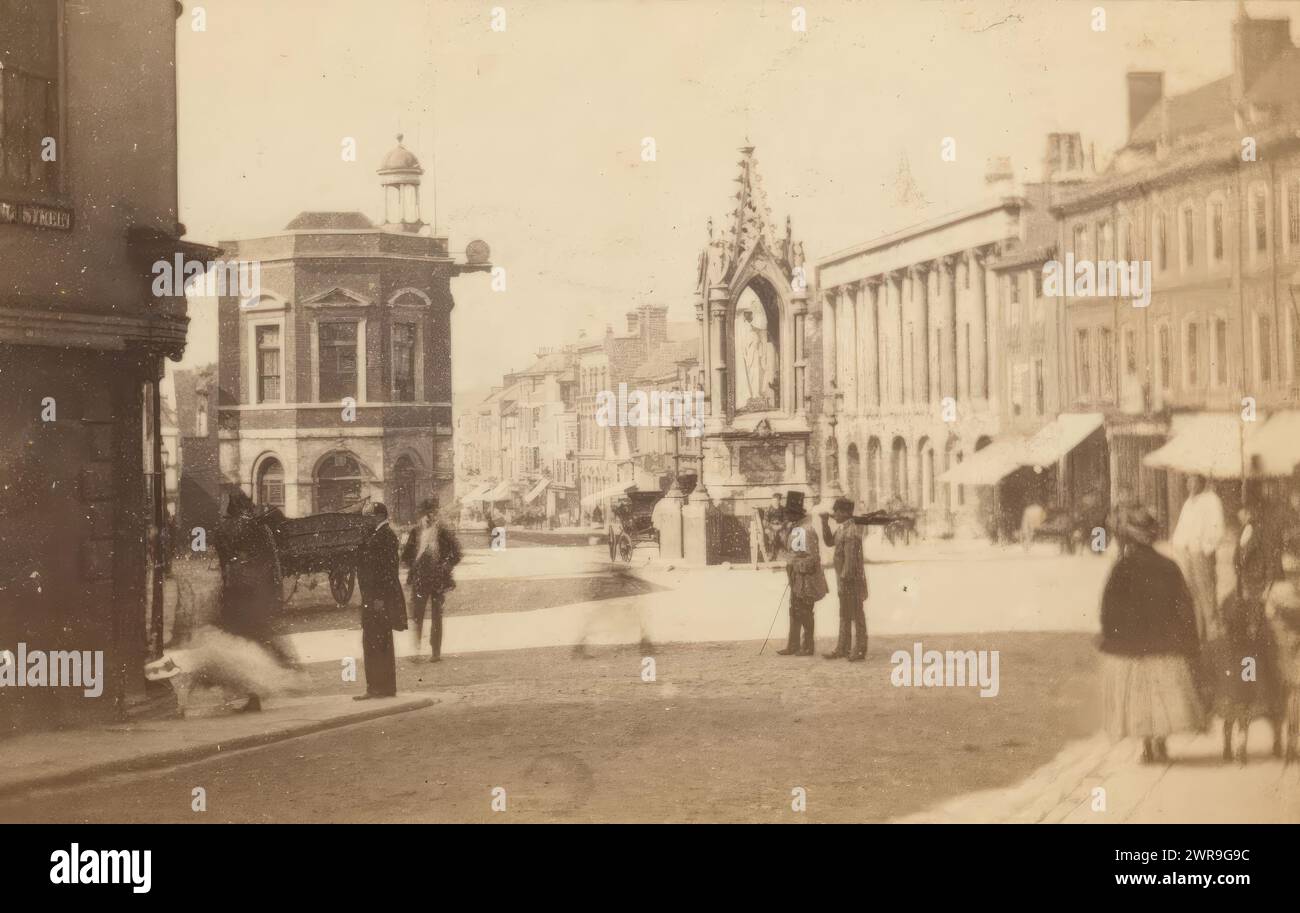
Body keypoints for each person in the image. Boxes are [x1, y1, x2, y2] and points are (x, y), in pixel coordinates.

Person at [1097, 505, 1205, 764]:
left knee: (1139, 698)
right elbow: (1184, 606)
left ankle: (1146, 744)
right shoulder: (1169, 566)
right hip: (1164, 643)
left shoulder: (1122, 567)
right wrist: (1188, 638)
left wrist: (1113, 634)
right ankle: (1160, 742)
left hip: (1134, 645)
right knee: (1161, 697)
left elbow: (1109, 608)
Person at [1208, 505, 1284, 761]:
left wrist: (1257, 589)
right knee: (1242, 680)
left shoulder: (1258, 536)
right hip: (1242, 607)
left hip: (1254, 601)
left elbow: (1264, 567)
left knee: (1258, 680)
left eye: (1245, 510)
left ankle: (1264, 739)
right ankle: (1237, 741)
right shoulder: (1243, 536)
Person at [213, 490, 289, 712]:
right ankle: (254, 692)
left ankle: (244, 692)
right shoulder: (257, 527)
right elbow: (270, 557)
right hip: (255, 591)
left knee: (236, 639)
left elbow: (223, 561)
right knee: (254, 639)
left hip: (234, 590)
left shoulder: (224, 528)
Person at [353, 503, 406, 699]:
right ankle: (380, 687)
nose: (366, 518)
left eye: (369, 515)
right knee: (375, 641)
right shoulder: (377, 534)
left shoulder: (385, 536)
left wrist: (379, 599)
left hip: (377, 598)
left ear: (379, 515)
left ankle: (379, 687)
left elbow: (386, 571)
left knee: (376, 641)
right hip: (373, 597)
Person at [401, 497, 463, 662]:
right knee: (417, 615)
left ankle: (436, 652)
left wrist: (446, 565)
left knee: (437, 616)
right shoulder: (415, 532)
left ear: (436, 513)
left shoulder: (443, 531)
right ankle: (416, 652)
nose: (430, 516)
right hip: (420, 579)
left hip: (438, 579)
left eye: (433, 512)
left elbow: (457, 553)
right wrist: (413, 566)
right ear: (421, 515)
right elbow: (406, 555)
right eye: (427, 513)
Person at [1171, 474, 1225, 642]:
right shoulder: (1189, 502)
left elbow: (1218, 528)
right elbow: (1181, 527)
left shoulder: (1211, 500)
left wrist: (1206, 548)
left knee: (1206, 591)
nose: (1191, 484)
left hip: (1201, 553)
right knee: (1191, 591)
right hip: (1186, 553)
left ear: (1202, 482)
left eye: (1195, 480)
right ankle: (1197, 630)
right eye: (1188, 480)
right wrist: (1178, 545)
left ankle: (1212, 629)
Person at [776, 492, 827, 657]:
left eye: (789, 512)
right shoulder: (795, 528)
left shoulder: (807, 530)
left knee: (805, 610)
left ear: (796, 513)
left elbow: (813, 557)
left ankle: (808, 646)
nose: (786, 515)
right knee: (794, 609)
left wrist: (797, 565)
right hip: (796, 576)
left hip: (806, 578)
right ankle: (793, 645)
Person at [820, 497, 868, 661]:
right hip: (844, 579)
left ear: (845, 513)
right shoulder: (842, 529)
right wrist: (824, 523)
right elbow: (828, 542)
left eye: (836, 511)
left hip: (850, 580)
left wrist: (844, 580)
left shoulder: (851, 531)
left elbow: (851, 560)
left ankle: (860, 649)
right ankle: (843, 647)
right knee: (844, 613)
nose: (834, 514)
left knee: (856, 613)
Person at [1265, 550, 1300, 761]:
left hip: (1281, 647)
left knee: (1287, 693)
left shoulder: (1277, 590)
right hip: (1287, 648)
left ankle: (1284, 740)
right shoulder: (1280, 590)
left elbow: (1269, 618)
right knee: (1292, 694)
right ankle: (1288, 740)